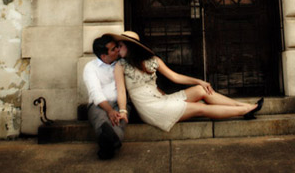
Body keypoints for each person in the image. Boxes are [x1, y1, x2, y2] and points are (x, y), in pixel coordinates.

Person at [111, 31, 264, 132]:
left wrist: (200, 81)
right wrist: (123, 111)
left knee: (200, 90)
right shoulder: (120, 66)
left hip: (162, 100)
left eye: (120, 46)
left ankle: (243, 106)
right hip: (151, 109)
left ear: (130, 47)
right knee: (201, 108)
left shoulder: (153, 60)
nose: (118, 49)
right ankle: (245, 110)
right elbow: (121, 91)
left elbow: (175, 77)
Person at [82, 34, 128, 159]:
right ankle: (112, 142)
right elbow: (95, 92)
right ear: (103, 56)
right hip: (98, 105)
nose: (118, 50)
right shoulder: (91, 67)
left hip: (119, 103)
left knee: (119, 119)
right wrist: (109, 110)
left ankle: (107, 145)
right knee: (101, 120)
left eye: (117, 47)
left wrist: (119, 110)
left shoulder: (122, 64)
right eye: (113, 49)